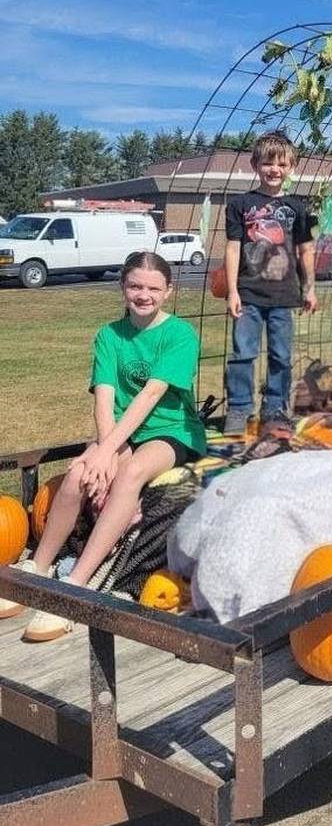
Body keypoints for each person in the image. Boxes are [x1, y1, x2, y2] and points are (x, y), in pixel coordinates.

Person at [0, 252, 207, 642]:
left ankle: (79, 584)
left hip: (172, 430)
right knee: (80, 472)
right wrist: (106, 450)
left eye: (152, 288)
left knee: (129, 473)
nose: (143, 295)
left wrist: (112, 452)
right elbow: (104, 398)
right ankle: (39, 566)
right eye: (135, 286)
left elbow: (150, 396)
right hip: (122, 430)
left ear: (167, 291)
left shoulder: (179, 335)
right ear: (123, 287)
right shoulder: (109, 335)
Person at [223, 130, 317, 435]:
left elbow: (305, 250)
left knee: (281, 356)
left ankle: (275, 407)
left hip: (284, 295)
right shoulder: (240, 204)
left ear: (291, 167)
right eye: (267, 163)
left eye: (281, 164)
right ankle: (238, 409)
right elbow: (233, 247)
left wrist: (310, 288)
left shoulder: (297, 208)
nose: (274, 169)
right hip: (248, 294)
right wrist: (233, 291)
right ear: (255, 165)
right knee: (243, 354)